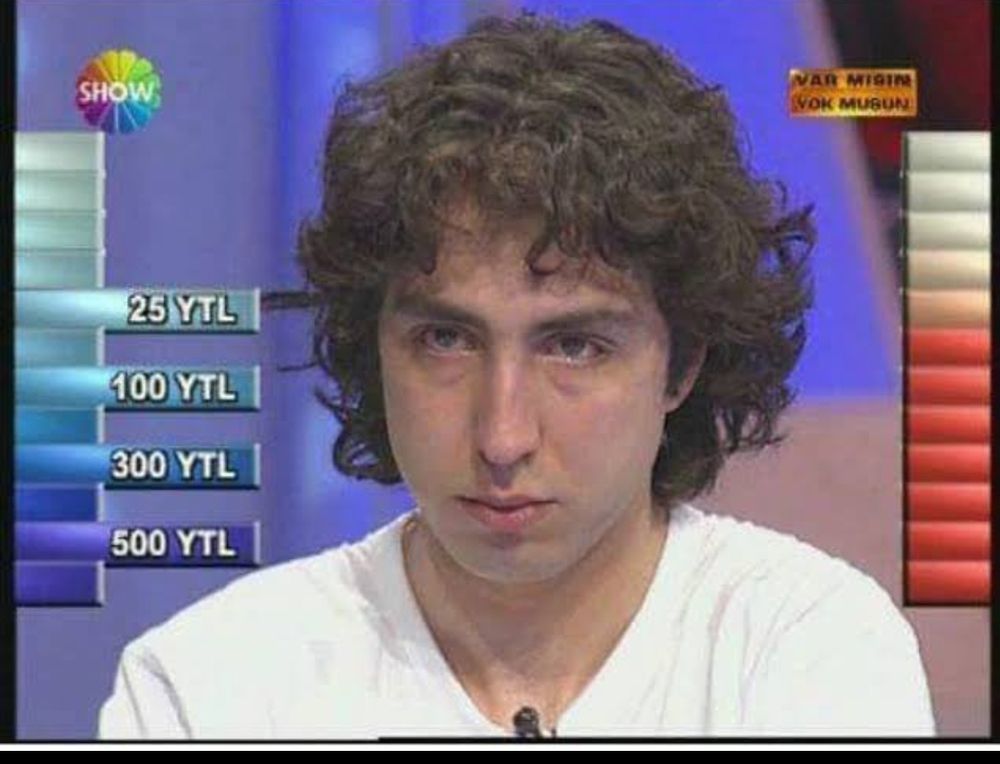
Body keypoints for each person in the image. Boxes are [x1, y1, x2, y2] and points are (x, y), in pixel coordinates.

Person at [99, 13, 935, 738]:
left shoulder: (811, 654)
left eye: (574, 347)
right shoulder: (210, 688)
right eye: (446, 340)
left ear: (682, 363)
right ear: (371, 345)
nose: (503, 437)